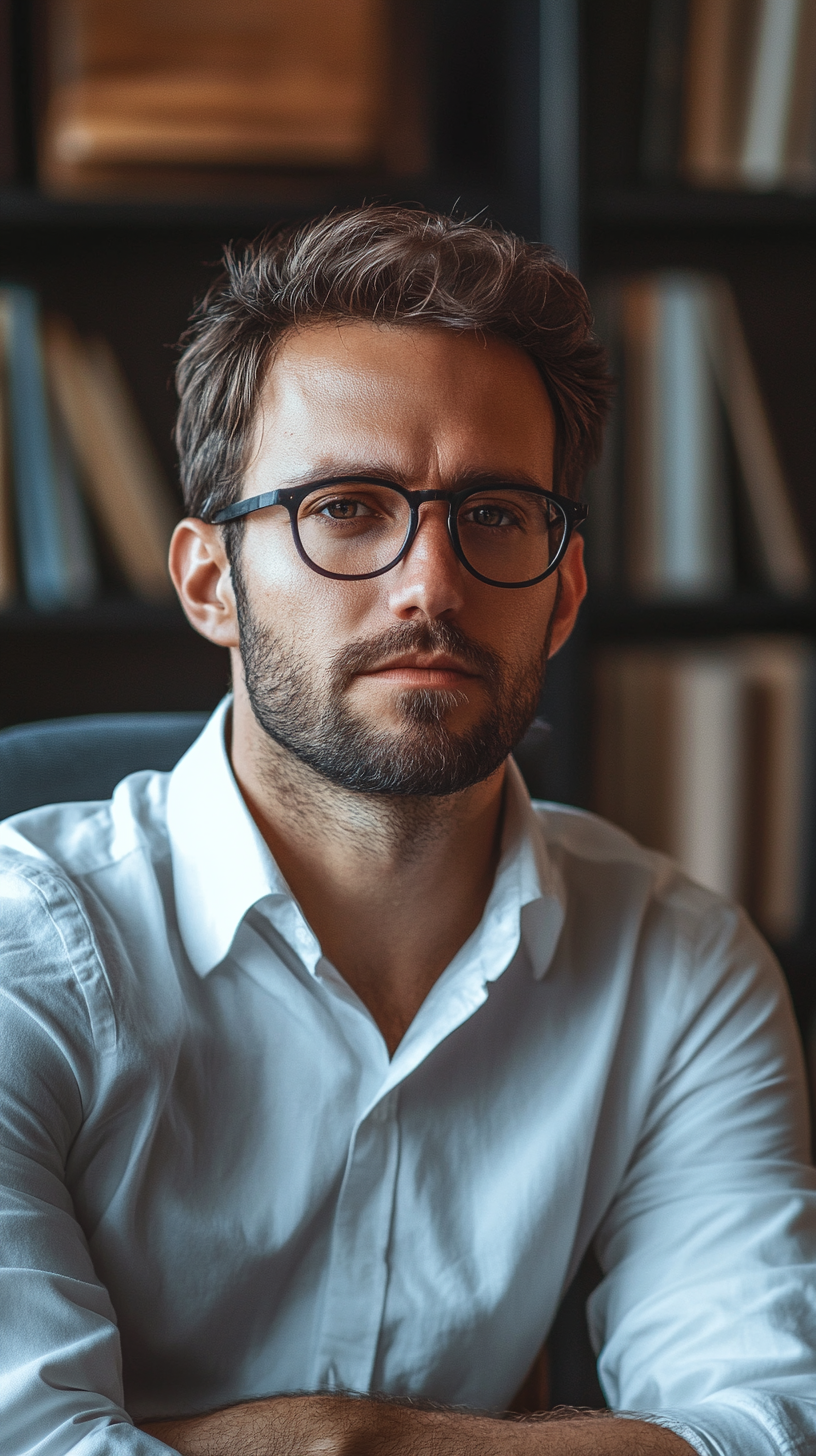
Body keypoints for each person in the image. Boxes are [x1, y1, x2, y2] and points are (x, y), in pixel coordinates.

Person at [0, 207, 814, 1456]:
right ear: (211, 580)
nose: (429, 582)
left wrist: (333, 1440)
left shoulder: (680, 966)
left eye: (493, 514)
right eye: (344, 507)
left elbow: (766, 1426)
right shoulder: (25, 956)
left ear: (564, 594)